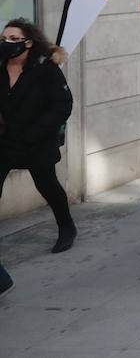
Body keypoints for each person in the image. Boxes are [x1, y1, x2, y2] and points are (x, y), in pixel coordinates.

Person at [0, 20, 75, 254]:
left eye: (13, 39)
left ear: (28, 43)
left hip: (36, 139)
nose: (6, 43)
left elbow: (62, 105)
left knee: (47, 185)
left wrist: (36, 132)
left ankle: (67, 227)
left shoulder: (45, 69)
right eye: (3, 39)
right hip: (5, 140)